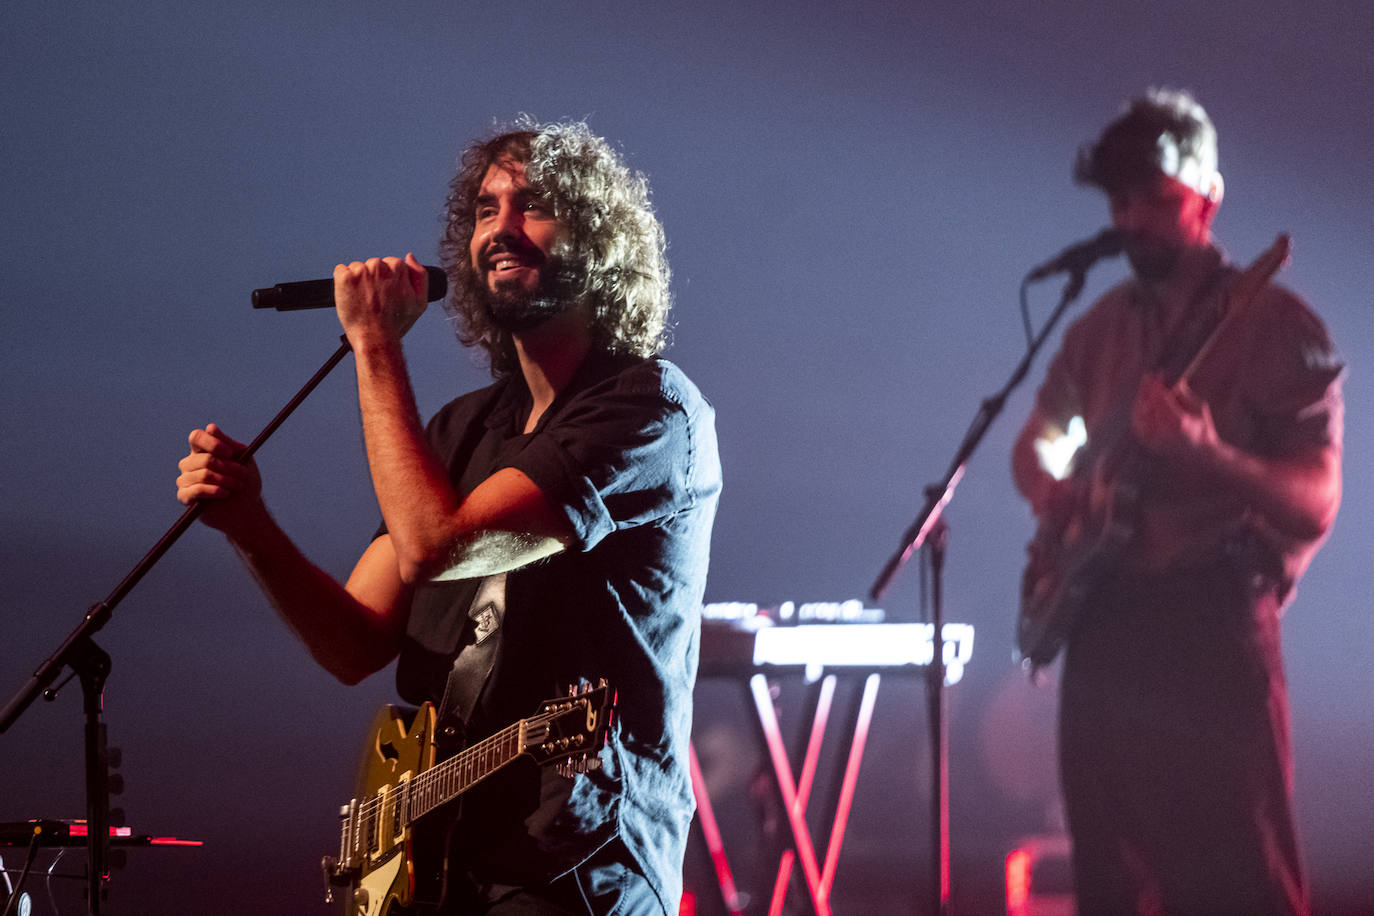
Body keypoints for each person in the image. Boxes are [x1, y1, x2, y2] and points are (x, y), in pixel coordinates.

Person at [176, 120, 721, 915]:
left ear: (600, 239)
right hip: (446, 860)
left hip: (577, 869)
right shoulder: (464, 429)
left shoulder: (648, 412)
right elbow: (354, 640)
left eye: (532, 206)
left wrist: (374, 346)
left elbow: (436, 546)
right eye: (483, 208)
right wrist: (250, 524)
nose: (500, 229)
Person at [1011, 89, 1342, 915]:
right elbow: (1033, 444)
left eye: (1156, 199)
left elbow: (1316, 503)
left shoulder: (1273, 322)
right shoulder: (1096, 329)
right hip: (1104, 622)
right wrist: (1057, 495)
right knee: (1111, 880)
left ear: (1208, 195)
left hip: (1210, 626)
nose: (1133, 220)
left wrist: (1210, 456)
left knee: (1240, 879)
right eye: (1121, 201)